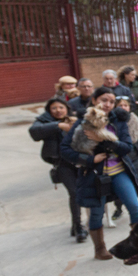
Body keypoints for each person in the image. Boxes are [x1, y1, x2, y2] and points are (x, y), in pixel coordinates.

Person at [60, 87, 138, 260]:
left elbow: (127, 147)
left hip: (119, 171)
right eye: (104, 100)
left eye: (112, 101)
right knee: (97, 213)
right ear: (94, 101)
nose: (108, 104)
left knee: (135, 207)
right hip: (94, 176)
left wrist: (105, 141)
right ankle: (100, 249)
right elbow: (65, 150)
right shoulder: (83, 123)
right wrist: (91, 160)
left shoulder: (119, 120)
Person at [30, 97, 85, 242]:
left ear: (67, 108)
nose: (58, 110)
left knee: (86, 192)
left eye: (61, 107)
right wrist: (58, 125)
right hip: (62, 165)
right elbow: (34, 132)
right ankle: (78, 227)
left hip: (82, 162)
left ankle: (81, 225)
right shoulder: (45, 121)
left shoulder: (77, 118)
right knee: (74, 192)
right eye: (54, 108)